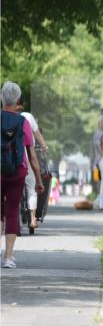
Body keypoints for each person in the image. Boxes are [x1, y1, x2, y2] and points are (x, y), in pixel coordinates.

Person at [1, 81, 45, 269]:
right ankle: (8, 257)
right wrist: (39, 179)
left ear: (2, 98)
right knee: (11, 212)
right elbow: (32, 154)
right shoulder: (23, 122)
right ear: (18, 100)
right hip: (18, 172)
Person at [16, 98, 48, 229]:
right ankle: (33, 219)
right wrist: (44, 147)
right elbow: (37, 134)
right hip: (28, 152)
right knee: (32, 186)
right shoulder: (28, 116)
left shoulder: (4, 115)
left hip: (12, 154)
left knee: (14, 185)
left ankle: (12, 218)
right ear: (22, 104)